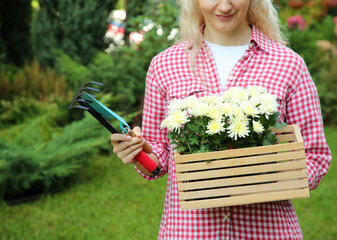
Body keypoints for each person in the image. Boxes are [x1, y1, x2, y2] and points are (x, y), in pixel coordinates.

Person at [110, 0, 332, 239]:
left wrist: (264, 176)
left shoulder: (288, 64)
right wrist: (138, 153)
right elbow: (159, 159)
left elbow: (316, 157)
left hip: (267, 231)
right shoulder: (165, 65)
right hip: (190, 232)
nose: (224, 6)